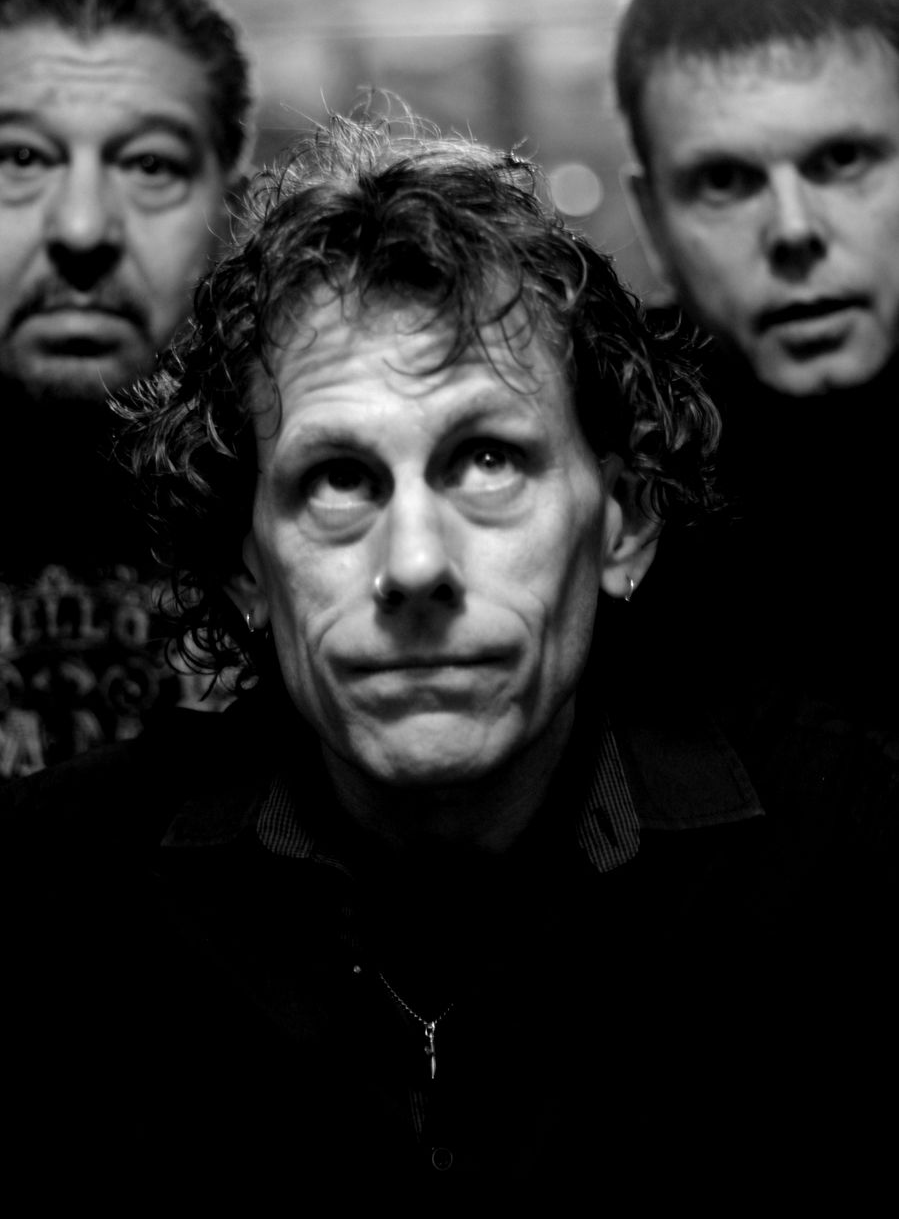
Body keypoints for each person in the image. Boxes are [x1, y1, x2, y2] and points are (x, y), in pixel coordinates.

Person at [3, 114, 771, 1199]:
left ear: (622, 524)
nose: (414, 565)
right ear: (245, 567)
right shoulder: (48, 903)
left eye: (487, 458)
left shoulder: (848, 867)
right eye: (338, 479)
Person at [612, 0, 899, 962]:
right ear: (652, 220)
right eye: (724, 182)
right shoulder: (601, 475)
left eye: (842, 159)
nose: (791, 231)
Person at [0, 0, 255, 776]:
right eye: (20, 157)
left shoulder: (323, 499)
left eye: (149, 164)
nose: (82, 229)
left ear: (231, 207)